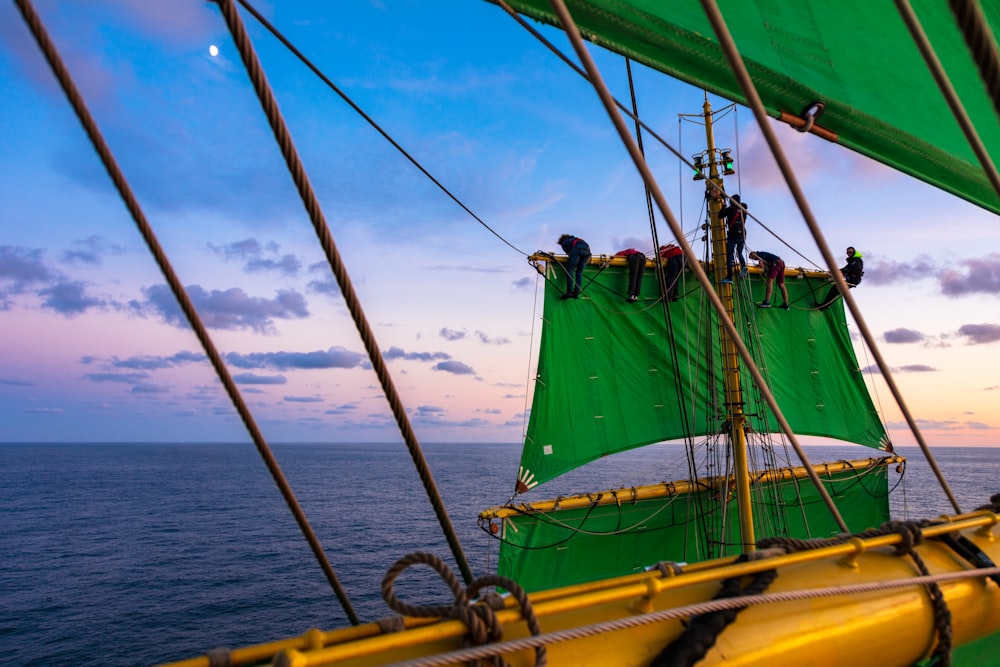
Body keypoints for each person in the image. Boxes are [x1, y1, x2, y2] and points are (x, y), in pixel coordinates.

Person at [719, 194, 747, 284]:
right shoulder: (743, 210)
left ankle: (729, 277)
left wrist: (723, 206)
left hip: (733, 235)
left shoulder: (730, 209)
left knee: (729, 255)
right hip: (742, 234)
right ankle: (743, 266)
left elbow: (720, 215)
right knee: (740, 252)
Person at [557, 234, 591, 299]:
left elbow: (569, 254)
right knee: (579, 272)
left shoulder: (564, 242)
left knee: (570, 269)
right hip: (587, 251)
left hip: (577, 249)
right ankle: (576, 293)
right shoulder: (576, 239)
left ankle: (569, 292)